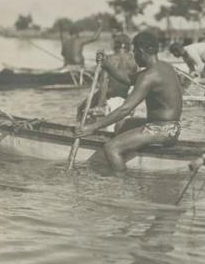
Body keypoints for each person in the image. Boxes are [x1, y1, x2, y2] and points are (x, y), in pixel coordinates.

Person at [75, 31, 183, 171]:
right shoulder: (165, 67)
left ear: (141, 51)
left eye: (134, 52)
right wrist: (106, 65)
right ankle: (130, 150)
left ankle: (121, 183)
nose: (134, 56)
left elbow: (125, 109)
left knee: (111, 148)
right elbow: (128, 79)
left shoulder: (149, 76)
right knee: (121, 125)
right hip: (172, 128)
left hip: (163, 130)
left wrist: (93, 127)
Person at [76, 32, 138, 120]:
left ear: (115, 46)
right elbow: (135, 86)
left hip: (109, 94)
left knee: (80, 108)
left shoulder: (108, 59)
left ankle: (81, 128)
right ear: (128, 47)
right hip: (125, 96)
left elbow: (103, 84)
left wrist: (100, 104)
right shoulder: (134, 61)